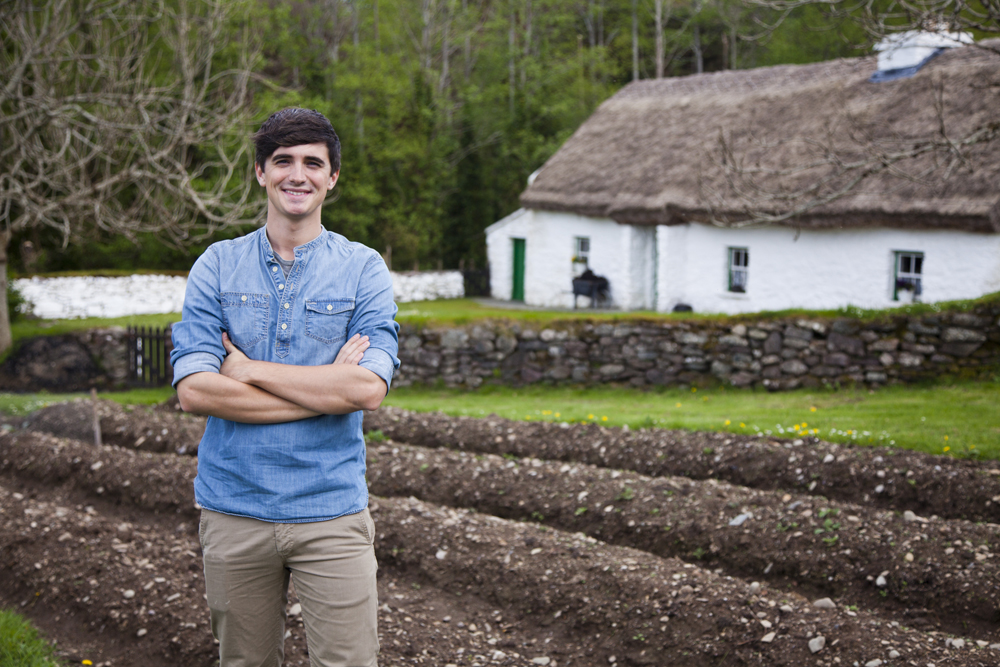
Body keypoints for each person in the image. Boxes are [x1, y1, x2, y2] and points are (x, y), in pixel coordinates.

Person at [170, 107, 399, 667]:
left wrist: (247, 371)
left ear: (332, 177)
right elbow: (195, 391)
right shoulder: (217, 266)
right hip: (234, 509)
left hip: (331, 510)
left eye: (312, 163)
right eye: (283, 161)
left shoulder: (363, 269)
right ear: (260, 173)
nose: (298, 174)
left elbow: (368, 390)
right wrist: (325, 391)